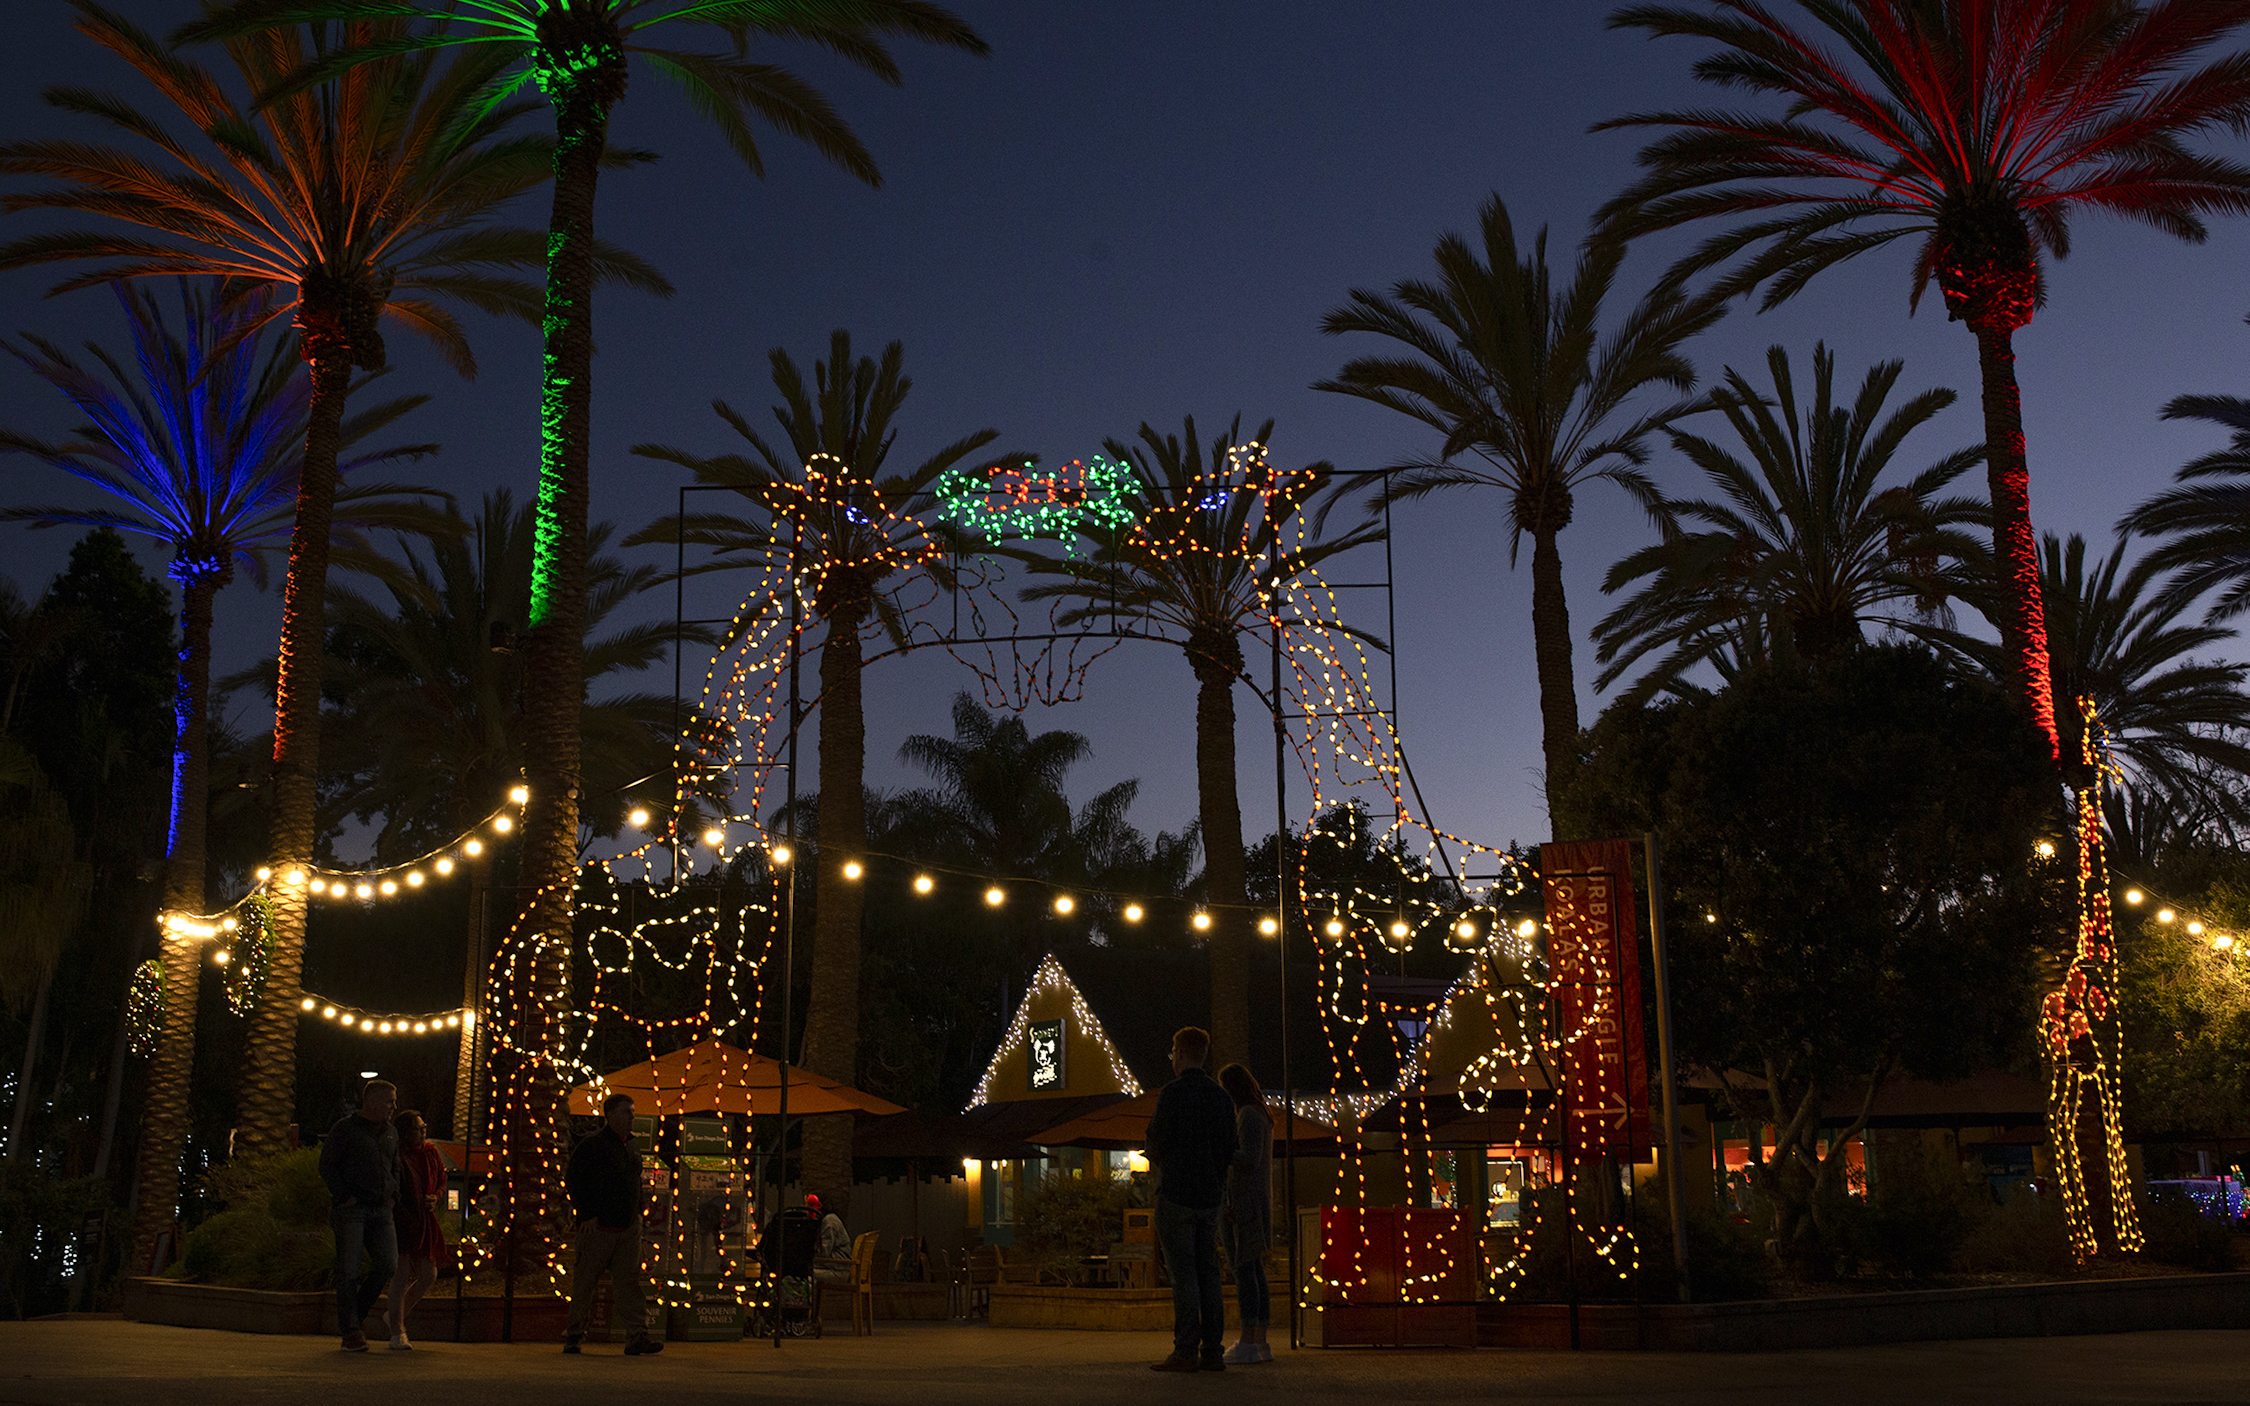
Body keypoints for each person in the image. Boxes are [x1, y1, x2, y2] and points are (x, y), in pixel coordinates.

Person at [1143, 1025, 1238, 1372]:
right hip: (1209, 1196)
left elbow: (1155, 1141)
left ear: (1181, 1054)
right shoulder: (1221, 1097)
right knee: (1209, 1272)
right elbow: (1230, 1149)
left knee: (1183, 1274)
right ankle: (1212, 1349)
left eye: (1173, 1053)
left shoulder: (1172, 1095)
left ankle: (1185, 1349)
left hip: (1177, 1194)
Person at [563, 1093, 662, 1356]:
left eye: (632, 1112)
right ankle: (574, 1335)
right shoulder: (592, 1145)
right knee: (585, 1283)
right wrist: (586, 1215)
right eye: (626, 1112)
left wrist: (637, 1213)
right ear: (610, 1115)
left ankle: (636, 1336)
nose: (632, 1117)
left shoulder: (632, 1145)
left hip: (626, 1227)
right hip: (598, 1228)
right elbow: (575, 1180)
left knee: (630, 1284)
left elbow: (634, 1182)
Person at [317, 1078, 399, 1352]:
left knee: (387, 1264)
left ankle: (356, 1318)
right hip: (352, 1210)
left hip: (381, 1209)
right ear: (372, 1101)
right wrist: (344, 1196)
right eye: (389, 1100)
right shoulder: (345, 1129)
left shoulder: (391, 1133)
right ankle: (351, 1330)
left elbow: (394, 1166)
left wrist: (392, 1196)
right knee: (349, 1270)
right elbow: (327, 1164)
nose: (393, 1107)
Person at [1217, 1063, 1275, 1364]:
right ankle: (1259, 1339)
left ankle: (1249, 1339)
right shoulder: (1259, 1114)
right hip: (1253, 1200)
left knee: (1244, 1270)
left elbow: (1248, 1160)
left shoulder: (1248, 1115)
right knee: (1254, 1270)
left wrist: (1221, 1148)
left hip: (1245, 1202)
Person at [383, 1109, 447, 1351]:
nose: (423, 1131)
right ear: (405, 1132)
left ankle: (394, 1317)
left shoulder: (430, 1153)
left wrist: (436, 1197)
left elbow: (442, 1179)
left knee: (428, 1274)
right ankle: (397, 1330)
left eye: (424, 1127)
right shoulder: (397, 1156)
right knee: (400, 1274)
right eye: (418, 1128)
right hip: (402, 1220)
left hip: (424, 1220)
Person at [808, 1192, 852, 1284]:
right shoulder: (829, 1220)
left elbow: (824, 1252)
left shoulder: (829, 1222)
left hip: (838, 1271)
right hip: (835, 1267)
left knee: (802, 1275)